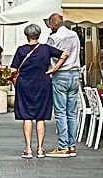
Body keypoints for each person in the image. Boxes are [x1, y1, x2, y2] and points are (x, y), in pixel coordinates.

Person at [10, 22, 63, 158]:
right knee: (40, 117)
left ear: (26, 35)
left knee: (27, 117)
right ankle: (40, 148)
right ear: (38, 34)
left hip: (25, 84)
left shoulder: (21, 50)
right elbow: (64, 54)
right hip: (42, 83)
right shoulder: (46, 49)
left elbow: (13, 69)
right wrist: (54, 69)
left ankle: (28, 148)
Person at [44, 12, 82, 156]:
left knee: (60, 112)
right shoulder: (74, 35)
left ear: (53, 24)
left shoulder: (53, 38)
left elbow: (48, 55)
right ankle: (72, 145)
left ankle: (63, 146)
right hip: (75, 74)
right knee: (71, 113)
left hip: (61, 74)